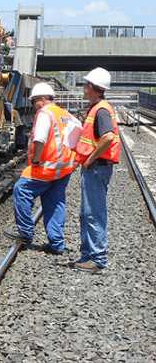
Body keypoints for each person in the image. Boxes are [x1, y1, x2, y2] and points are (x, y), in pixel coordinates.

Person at [4, 82, 78, 254]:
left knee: (21, 190)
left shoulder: (45, 113)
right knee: (55, 202)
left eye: (34, 101)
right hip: (64, 169)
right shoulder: (65, 114)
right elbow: (78, 133)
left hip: (46, 167)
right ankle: (57, 244)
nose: (33, 105)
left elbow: (40, 139)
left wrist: (36, 160)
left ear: (43, 99)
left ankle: (25, 233)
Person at [72, 67, 120, 273]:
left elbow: (108, 137)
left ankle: (97, 259)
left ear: (92, 87)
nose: (84, 88)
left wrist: (90, 159)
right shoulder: (97, 108)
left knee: (93, 213)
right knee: (87, 213)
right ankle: (88, 255)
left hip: (96, 168)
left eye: (86, 85)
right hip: (94, 168)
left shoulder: (101, 110)